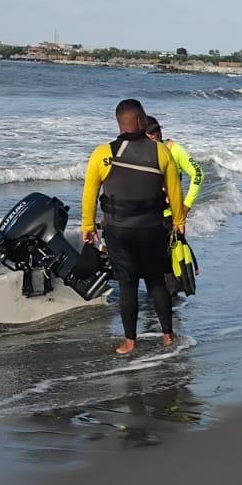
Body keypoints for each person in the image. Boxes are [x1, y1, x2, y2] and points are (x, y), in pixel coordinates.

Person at [81, 99, 187, 355]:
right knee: (156, 282)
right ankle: (167, 335)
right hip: (152, 230)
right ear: (140, 121)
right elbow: (174, 192)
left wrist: (88, 225)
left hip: (118, 232)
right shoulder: (161, 152)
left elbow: (90, 192)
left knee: (127, 285)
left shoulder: (102, 153)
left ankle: (130, 342)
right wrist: (179, 222)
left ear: (119, 123)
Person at [143, 114, 204, 217]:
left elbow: (198, 173)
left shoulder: (174, 149)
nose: (156, 134)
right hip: (143, 217)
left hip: (170, 216)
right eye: (151, 132)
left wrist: (187, 205)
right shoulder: (135, 152)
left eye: (157, 130)